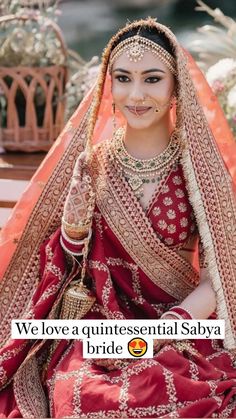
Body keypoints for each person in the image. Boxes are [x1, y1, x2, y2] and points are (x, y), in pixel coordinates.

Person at [0, 17, 236, 418]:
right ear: (109, 85)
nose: (136, 94)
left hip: (180, 326)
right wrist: (73, 233)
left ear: (175, 84)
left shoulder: (197, 168)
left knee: (164, 393)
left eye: (152, 79)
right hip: (101, 326)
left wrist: (165, 329)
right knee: (84, 396)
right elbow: (67, 267)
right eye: (123, 78)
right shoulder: (94, 165)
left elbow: (221, 274)